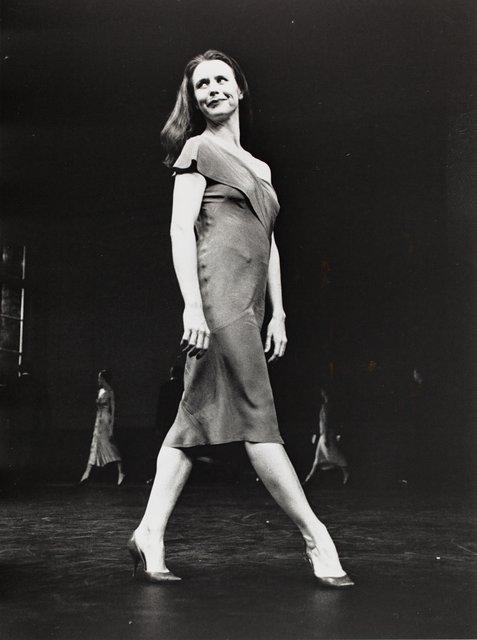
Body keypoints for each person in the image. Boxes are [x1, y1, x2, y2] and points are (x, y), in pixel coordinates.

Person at [128, 50, 353, 588]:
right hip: (217, 300)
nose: (212, 89)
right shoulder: (196, 150)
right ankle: (316, 536)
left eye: (221, 80)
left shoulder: (263, 169)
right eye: (201, 84)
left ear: (239, 89)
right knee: (258, 417)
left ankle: (149, 532)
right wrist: (191, 305)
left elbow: (268, 242)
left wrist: (279, 312)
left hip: (250, 306)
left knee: (192, 421)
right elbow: (182, 231)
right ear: (195, 97)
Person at [80, 370, 125, 486]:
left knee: (109, 445)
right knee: (95, 445)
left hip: (105, 420)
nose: (98, 380)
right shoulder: (100, 391)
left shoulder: (110, 392)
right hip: (98, 421)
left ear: (104, 379)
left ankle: (121, 472)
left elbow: (113, 410)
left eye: (100, 378)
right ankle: (87, 473)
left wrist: (111, 426)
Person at [304, 388, 350, 485]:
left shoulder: (327, 407)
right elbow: (323, 422)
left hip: (326, 436)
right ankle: (308, 480)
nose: (323, 394)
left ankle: (347, 475)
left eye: (325, 393)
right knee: (317, 460)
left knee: (335, 457)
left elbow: (326, 422)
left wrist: (325, 437)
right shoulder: (326, 406)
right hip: (324, 435)